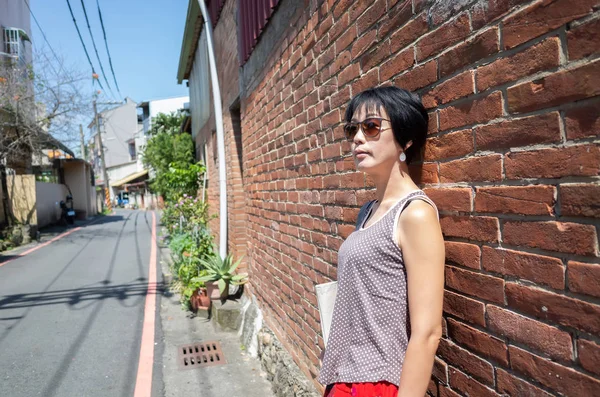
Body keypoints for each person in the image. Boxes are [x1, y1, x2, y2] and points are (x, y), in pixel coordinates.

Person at [318, 87, 445, 397]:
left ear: (406, 138)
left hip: (378, 384)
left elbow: (427, 333)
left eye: (371, 126)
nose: (358, 138)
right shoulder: (368, 212)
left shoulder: (414, 214)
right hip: (344, 378)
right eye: (352, 129)